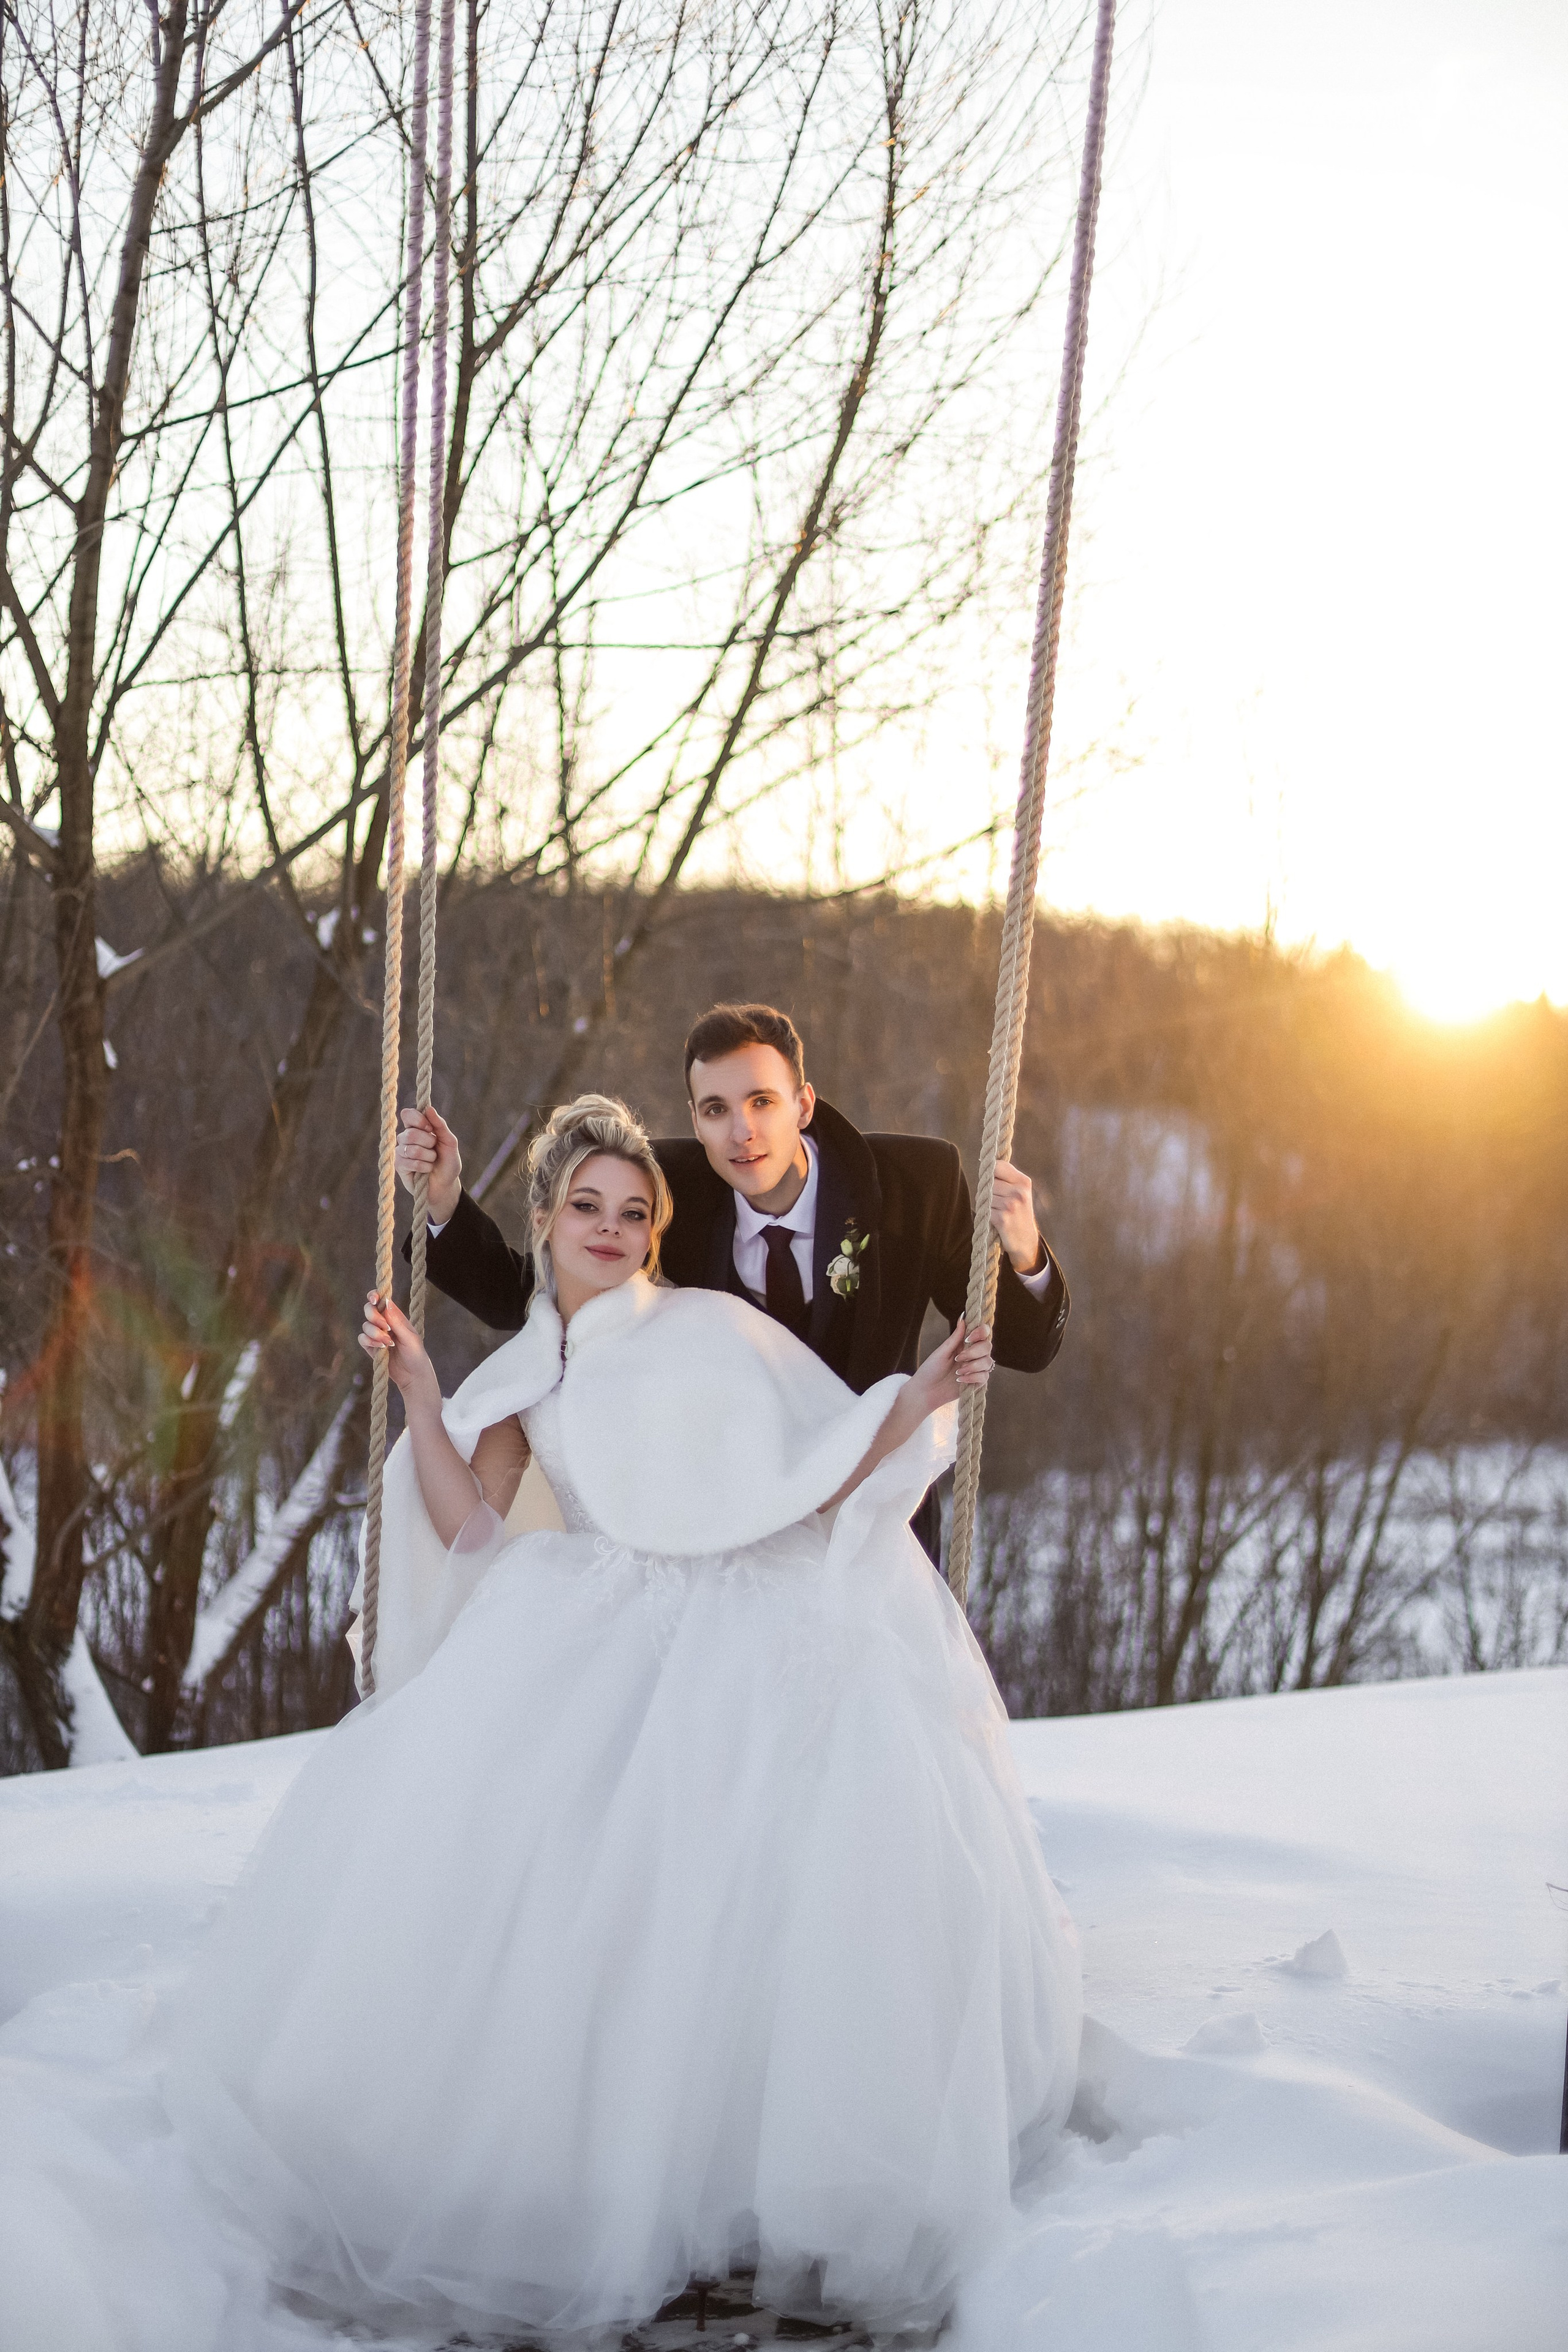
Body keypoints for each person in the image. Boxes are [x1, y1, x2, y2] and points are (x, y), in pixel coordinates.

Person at [165, 1095, 1082, 2345]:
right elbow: (473, 1532)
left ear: (657, 1230)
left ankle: (764, 2174)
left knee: (776, 1846)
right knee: (564, 1879)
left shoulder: (707, 1325)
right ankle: (575, 2171)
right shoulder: (528, 1370)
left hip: (746, 1611)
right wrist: (424, 1395)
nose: (610, 1227)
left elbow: (818, 1473)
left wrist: (915, 1395)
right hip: (586, 1610)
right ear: (545, 1218)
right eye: (587, 1206)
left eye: (635, 1211)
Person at [396, 1001, 1069, 1559]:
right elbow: (538, 1290)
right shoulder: (662, 1195)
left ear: (803, 1104)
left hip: (871, 1528)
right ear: (695, 1118)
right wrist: (444, 1202)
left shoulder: (916, 1185)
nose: (742, 1132)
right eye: (716, 1109)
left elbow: (1019, 1345)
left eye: (762, 1101)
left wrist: (1025, 1254)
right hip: (726, 1541)